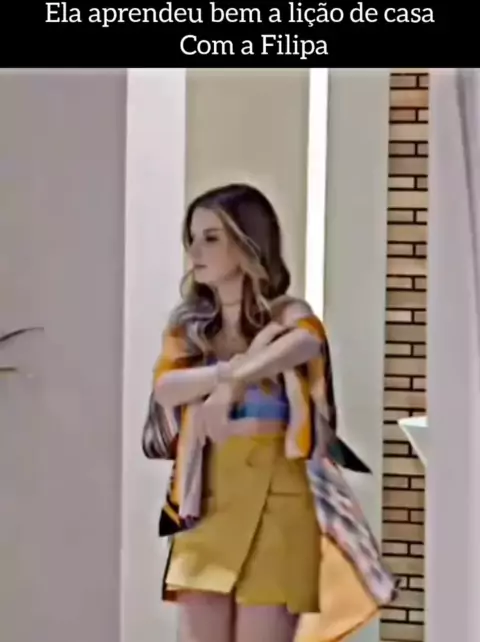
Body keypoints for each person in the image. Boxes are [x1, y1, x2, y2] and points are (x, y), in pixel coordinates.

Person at [143, 184, 397, 642]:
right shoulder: (189, 327)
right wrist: (228, 374)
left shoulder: (288, 315)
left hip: (279, 503)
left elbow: (306, 342)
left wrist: (234, 382)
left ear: (248, 243)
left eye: (211, 238)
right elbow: (166, 387)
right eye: (192, 238)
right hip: (206, 505)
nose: (195, 251)